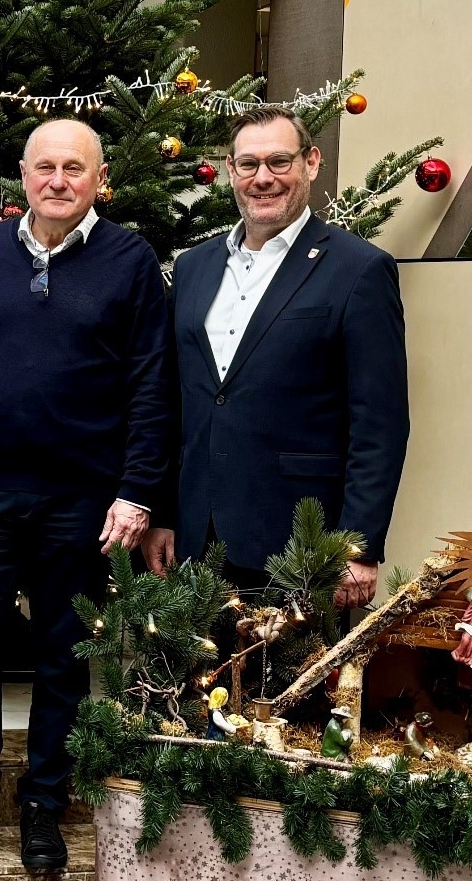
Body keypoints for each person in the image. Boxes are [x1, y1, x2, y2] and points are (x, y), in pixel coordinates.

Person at [0, 119, 171, 872]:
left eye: (73, 169)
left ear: (99, 178)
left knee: (61, 658)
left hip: (80, 499)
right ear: (22, 174)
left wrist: (137, 489)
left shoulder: (130, 261)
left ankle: (45, 809)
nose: (57, 180)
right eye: (44, 167)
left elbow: (152, 384)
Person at [145, 106, 407, 611]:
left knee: (293, 692)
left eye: (279, 161)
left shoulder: (360, 270)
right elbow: (175, 404)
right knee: (197, 690)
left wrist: (358, 545)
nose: (263, 178)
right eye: (248, 164)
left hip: (302, 545)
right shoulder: (195, 267)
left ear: (311, 163)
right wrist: (165, 513)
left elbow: (380, 422)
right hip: (198, 540)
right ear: (230, 171)